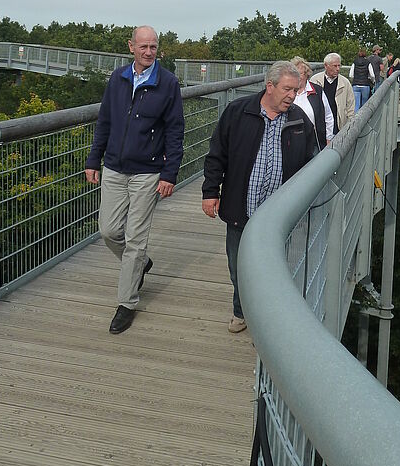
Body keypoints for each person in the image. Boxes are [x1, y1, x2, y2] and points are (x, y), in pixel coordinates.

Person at [201, 61, 315, 334]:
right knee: (238, 267)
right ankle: (241, 311)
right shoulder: (238, 112)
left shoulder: (299, 120)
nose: (291, 95)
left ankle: (264, 324)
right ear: (270, 86)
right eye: (287, 89)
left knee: (274, 270)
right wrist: (210, 192)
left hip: (279, 216)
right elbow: (217, 154)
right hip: (242, 209)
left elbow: (312, 163)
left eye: (295, 90)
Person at [85, 26, 185, 335]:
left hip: (147, 172)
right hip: (114, 167)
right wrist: (93, 159)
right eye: (143, 46)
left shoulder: (167, 83)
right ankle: (140, 264)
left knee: (135, 239)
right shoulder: (118, 78)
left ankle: (126, 303)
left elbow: (175, 130)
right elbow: (105, 121)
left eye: (153, 46)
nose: (148, 51)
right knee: (109, 230)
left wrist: (169, 174)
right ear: (131, 47)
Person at [291, 56, 334, 151]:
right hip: (291, 141)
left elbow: (328, 116)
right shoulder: (288, 92)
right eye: (294, 74)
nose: (297, 77)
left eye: (300, 74)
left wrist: (328, 138)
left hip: (313, 142)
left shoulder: (317, 91)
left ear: (307, 75)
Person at [310, 53, 355, 134]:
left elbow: (350, 105)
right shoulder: (315, 80)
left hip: (338, 125)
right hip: (320, 126)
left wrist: (349, 125)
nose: (338, 69)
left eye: (339, 66)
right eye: (335, 66)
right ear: (326, 66)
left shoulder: (345, 83)